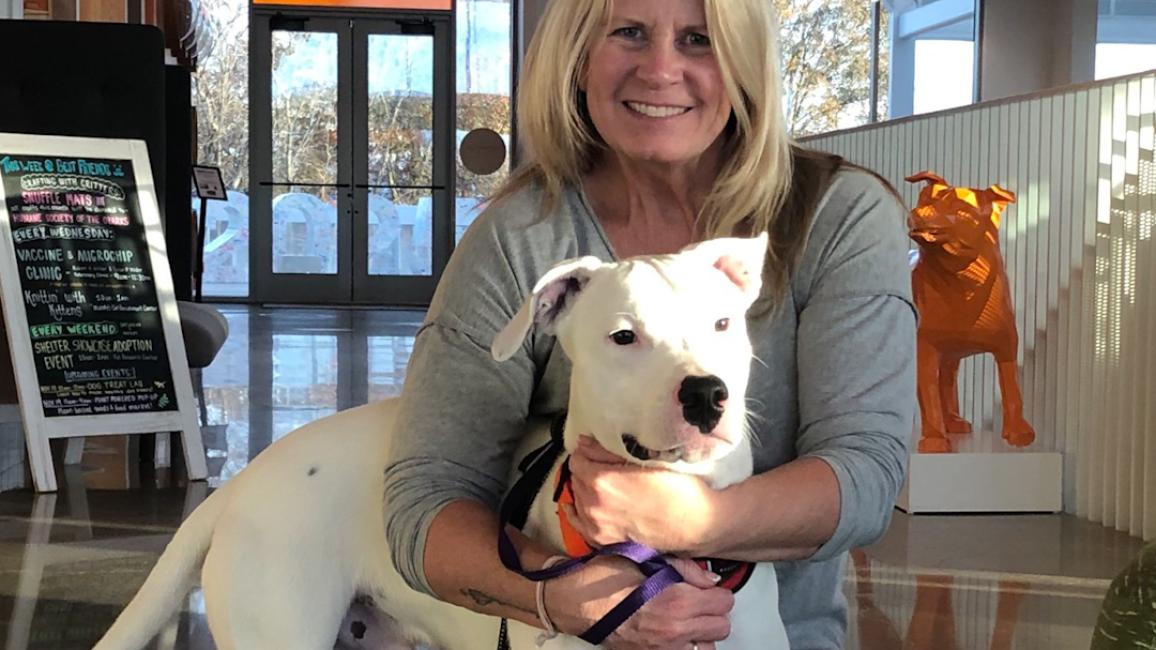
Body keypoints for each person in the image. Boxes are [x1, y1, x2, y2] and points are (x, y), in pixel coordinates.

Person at [382, 0, 917, 648]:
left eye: (698, 39)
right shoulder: (522, 238)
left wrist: (693, 520)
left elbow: (865, 477)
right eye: (629, 33)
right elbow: (428, 499)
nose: (661, 70)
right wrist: (556, 595)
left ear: (744, 64)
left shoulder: (837, 220)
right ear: (576, 58)